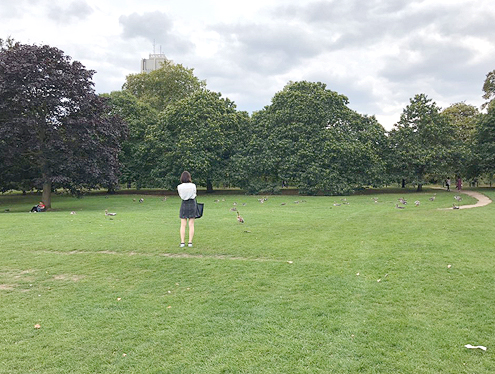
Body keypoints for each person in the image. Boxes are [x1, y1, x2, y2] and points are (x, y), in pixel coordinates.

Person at [177, 171, 197, 248]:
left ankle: (182, 242)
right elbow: (194, 194)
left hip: (184, 203)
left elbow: (181, 195)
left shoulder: (179, 186)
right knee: (191, 224)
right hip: (192, 203)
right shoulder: (193, 185)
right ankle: (190, 242)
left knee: (183, 224)